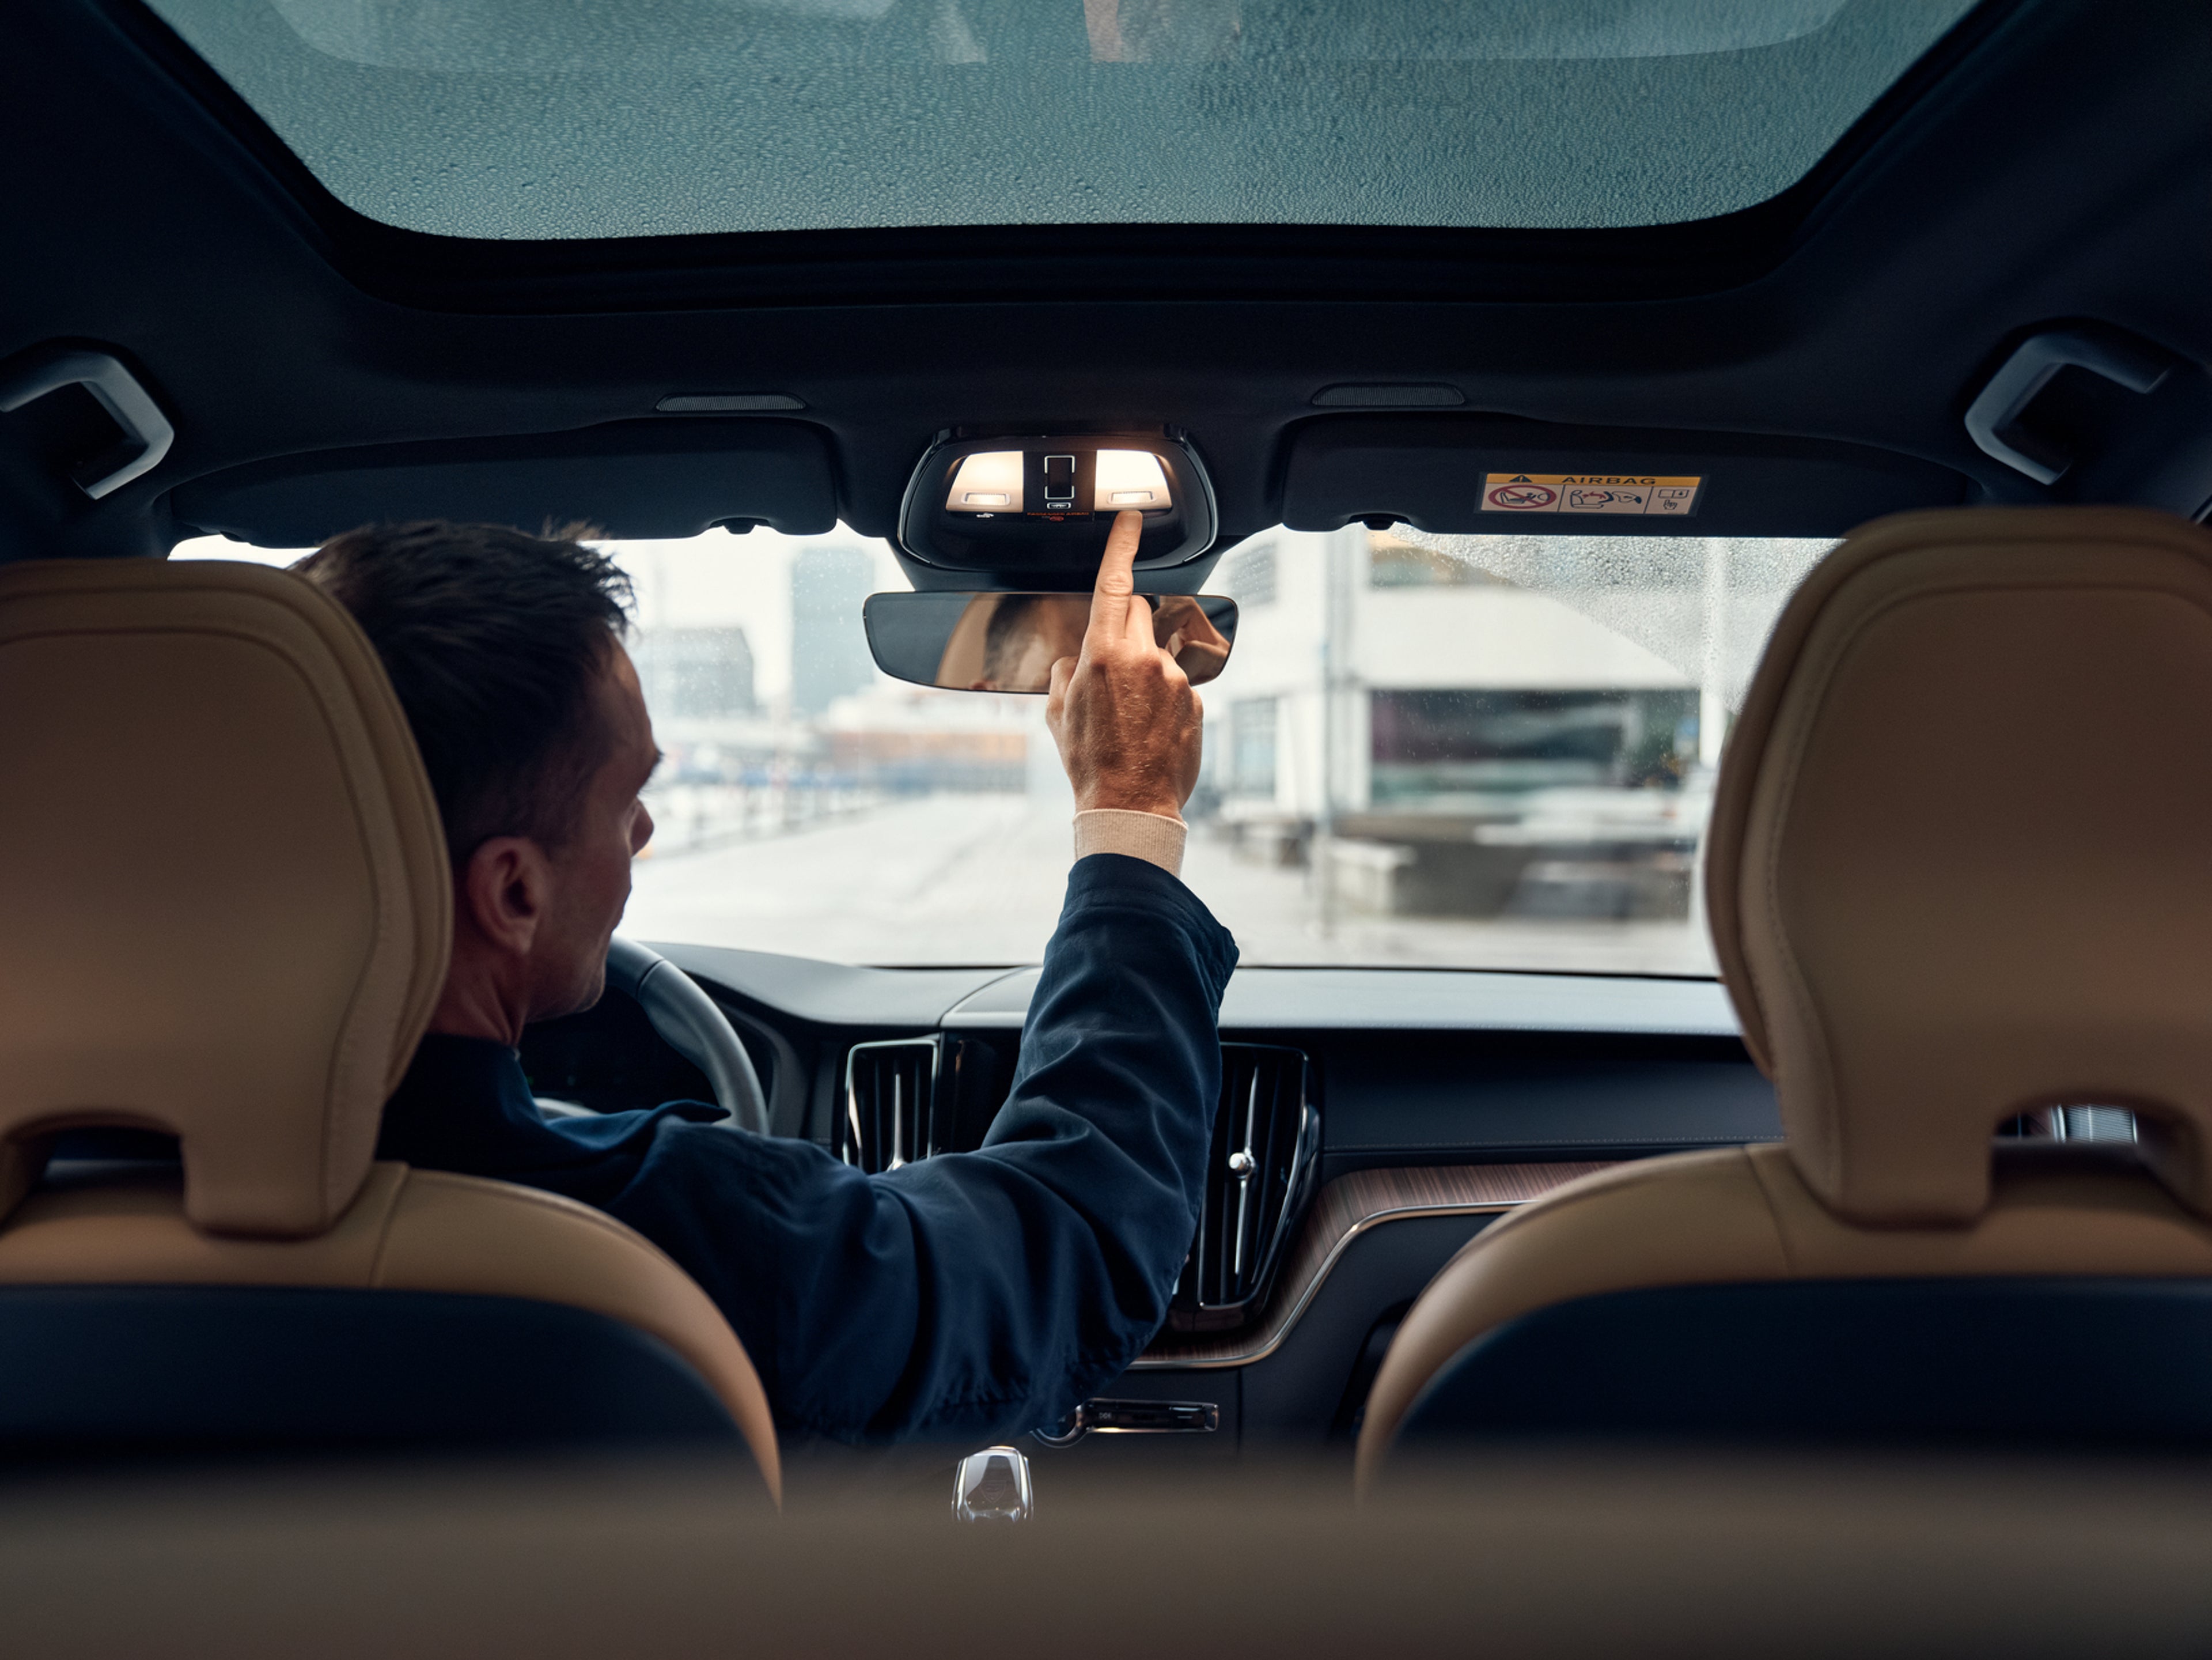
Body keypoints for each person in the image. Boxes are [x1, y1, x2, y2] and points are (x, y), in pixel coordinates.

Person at [294, 509, 1236, 1444]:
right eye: (627, 801)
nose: (644, 833)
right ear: (510, 889)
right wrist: (1131, 812)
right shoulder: (695, 1243)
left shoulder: (154, 1210)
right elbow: (1068, 1241)